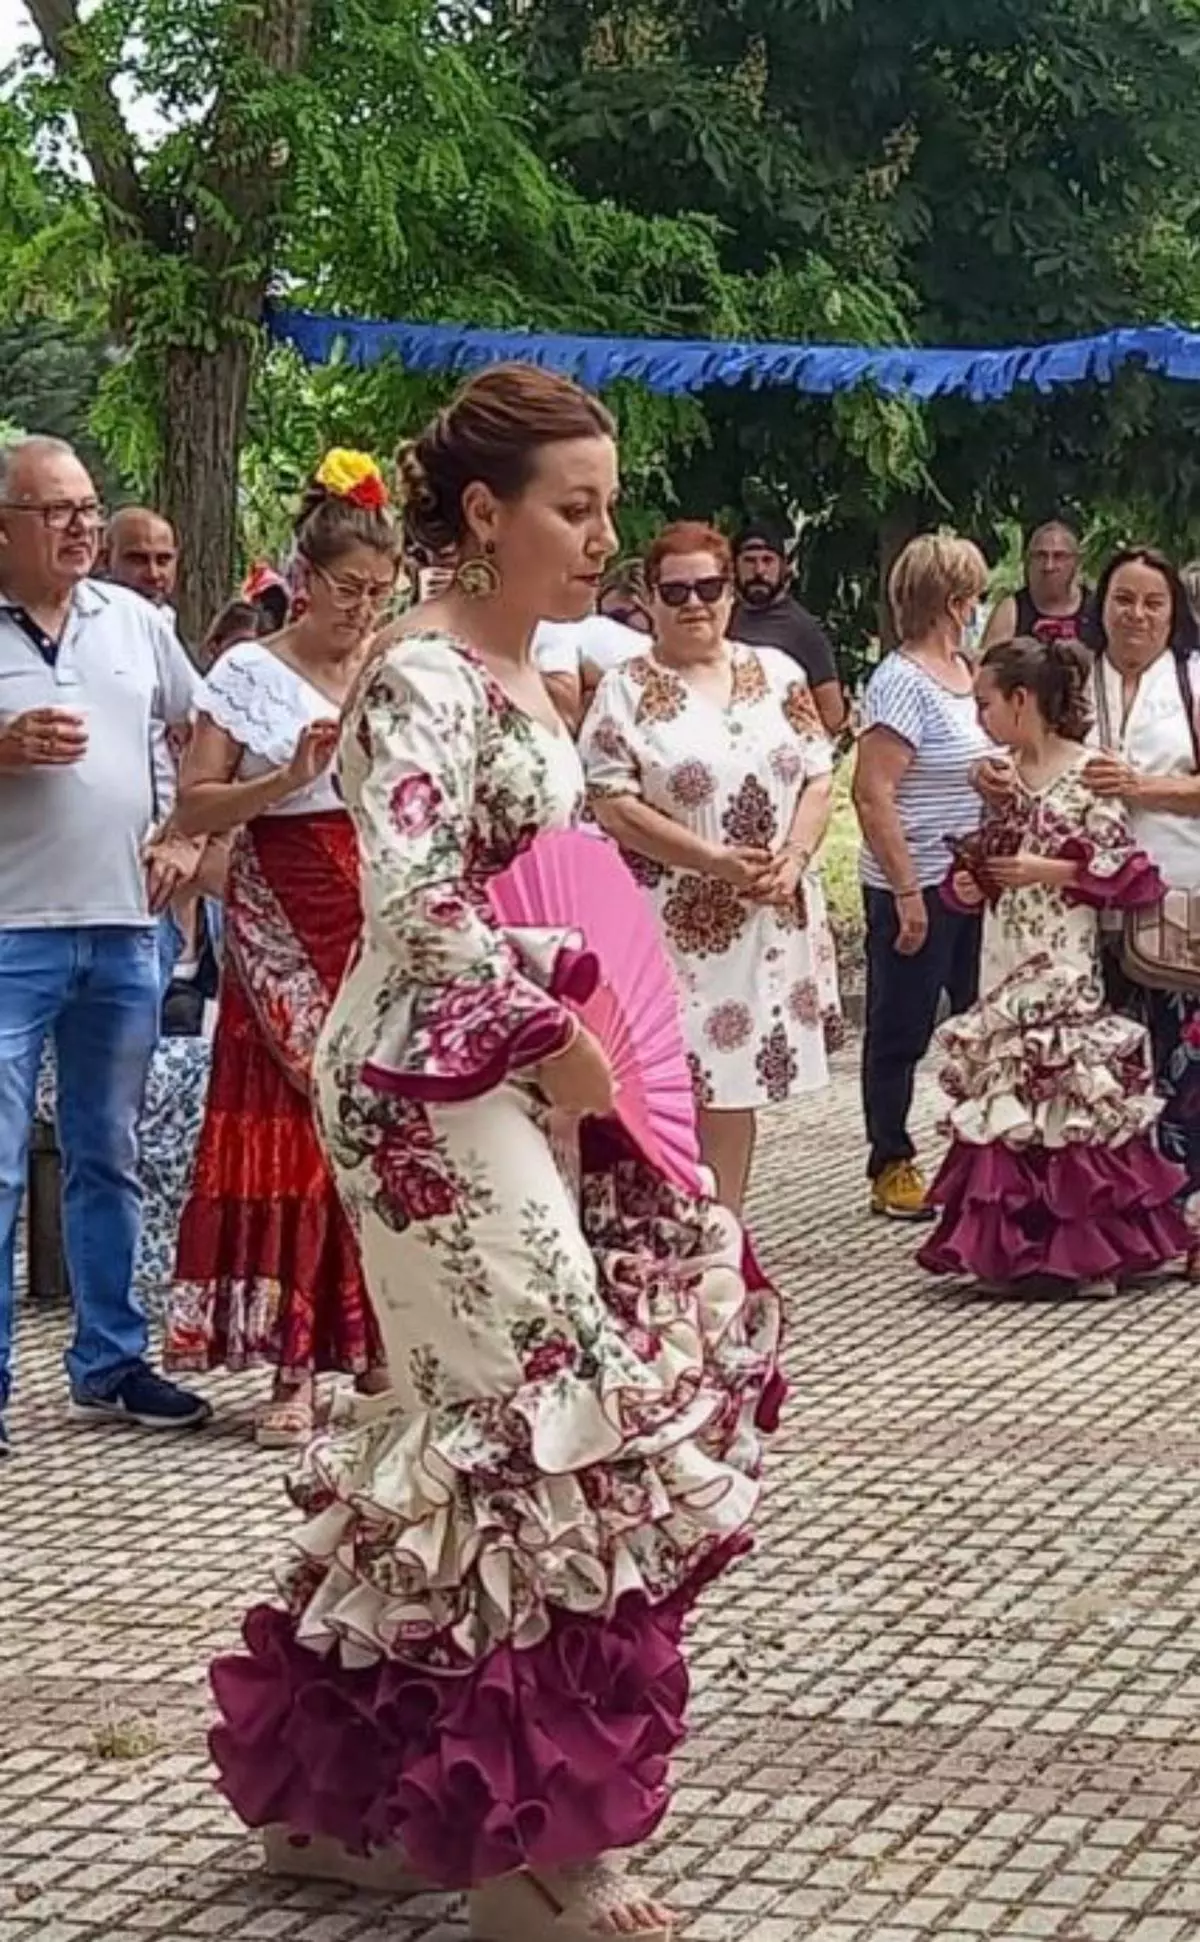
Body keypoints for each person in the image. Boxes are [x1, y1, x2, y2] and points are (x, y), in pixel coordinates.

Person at [208, 365, 781, 1940]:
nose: (602, 537)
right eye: (575, 508)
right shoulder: (419, 676)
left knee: (466, 1423)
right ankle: (530, 1852)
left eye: (606, 504)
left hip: (503, 1071)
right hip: (414, 1086)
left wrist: (571, 1005)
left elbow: (521, 888)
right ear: (484, 514)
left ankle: (350, 1802)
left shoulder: (536, 678)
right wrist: (557, 1034)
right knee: (545, 1406)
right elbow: (411, 913)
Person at [166, 450, 398, 1447]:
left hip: (379, 894)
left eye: (380, 592)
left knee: (381, 1116)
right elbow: (196, 801)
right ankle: (290, 1363)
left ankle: (380, 1340)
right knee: (299, 1118)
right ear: (304, 580)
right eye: (349, 589)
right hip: (277, 886)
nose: (362, 609)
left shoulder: (394, 662)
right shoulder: (248, 670)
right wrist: (288, 775)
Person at [0, 434, 209, 1453]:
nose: (81, 525)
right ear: (4, 526)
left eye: (88, 507)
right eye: (55, 510)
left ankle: (111, 1362)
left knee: (109, 1155)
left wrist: (189, 833)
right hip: (7, 934)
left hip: (125, 928)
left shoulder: (133, 621)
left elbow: (209, 727)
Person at [918, 636, 1190, 1295]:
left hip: (1065, 952)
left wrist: (1045, 869)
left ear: (1022, 699)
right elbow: (974, 867)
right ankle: (1014, 1248)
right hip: (1003, 949)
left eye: (986, 702)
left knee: (1070, 1086)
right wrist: (973, 881)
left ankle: (1088, 1250)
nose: (979, 716)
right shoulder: (998, 775)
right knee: (1011, 1083)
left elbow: (1123, 867)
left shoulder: (1090, 770)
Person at [582, 519, 835, 1213]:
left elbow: (818, 774)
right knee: (668, 1083)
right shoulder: (626, 687)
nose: (694, 603)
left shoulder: (778, 673)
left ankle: (725, 1233)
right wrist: (710, 859)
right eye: (676, 591)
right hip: (666, 920)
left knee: (735, 1083)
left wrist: (796, 855)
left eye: (709, 587)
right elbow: (608, 799)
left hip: (764, 912)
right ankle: (662, 1224)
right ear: (650, 598)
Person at [852, 532, 991, 1221]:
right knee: (901, 1027)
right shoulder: (901, 682)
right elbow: (873, 794)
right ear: (956, 601)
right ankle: (891, 1158)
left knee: (980, 1021)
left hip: (974, 879)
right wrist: (907, 891)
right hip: (916, 879)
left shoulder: (967, 674)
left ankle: (975, 1155)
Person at [1079, 549, 1200, 1262]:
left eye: (1153, 603)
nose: (1137, 616)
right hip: (1084, 903)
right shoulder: (1073, 679)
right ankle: (1120, 1223)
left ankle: (1189, 1208)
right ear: (1102, 605)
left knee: (1185, 1063)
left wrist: (1141, 788)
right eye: (1124, 600)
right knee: (1103, 1065)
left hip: (1180, 893)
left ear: (1172, 613)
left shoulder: (1191, 681)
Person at [731, 520, 847, 735]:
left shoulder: (804, 631)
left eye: (768, 561)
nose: (759, 571)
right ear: (734, 566)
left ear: (783, 566)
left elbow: (832, 717)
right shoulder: (723, 621)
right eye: (749, 561)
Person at [981, 518, 1100, 654]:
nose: (1049, 566)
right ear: (1028, 561)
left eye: (1059, 556)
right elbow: (988, 668)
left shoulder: (1096, 609)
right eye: (1041, 556)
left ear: (1076, 561)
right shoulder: (1011, 611)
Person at [102, 505, 181, 611]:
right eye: (138, 560)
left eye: (162, 561)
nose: (153, 574)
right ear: (106, 560)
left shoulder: (170, 619)